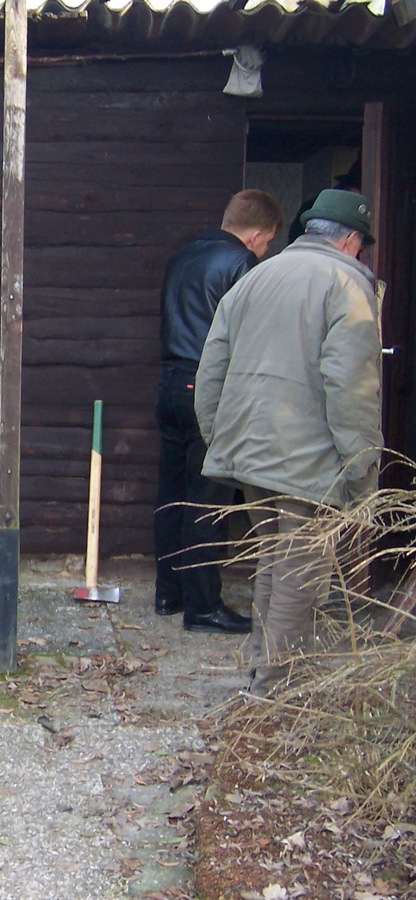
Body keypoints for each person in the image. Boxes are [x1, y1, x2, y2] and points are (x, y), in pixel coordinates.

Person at [194, 188, 383, 695]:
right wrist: (363, 465)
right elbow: (352, 386)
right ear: (350, 240)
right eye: (361, 245)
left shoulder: (256, 277)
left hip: (250, 452)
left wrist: (219, 437)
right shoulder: (347, 285)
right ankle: (274, 691)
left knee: (274, 560)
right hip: (310, 459)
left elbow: (211, 368)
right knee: (301, 573)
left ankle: (260, 667)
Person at [154, 190, 283, 634]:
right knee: (207, 502)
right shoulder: (240, 264)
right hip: (207, 388)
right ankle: (203, 607)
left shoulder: (183, 255)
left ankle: (168, 592)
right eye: (267, 243)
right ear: (257, 234)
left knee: (171, 494)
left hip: (169, 381)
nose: (265, 251)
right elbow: (250, 337)